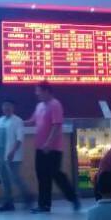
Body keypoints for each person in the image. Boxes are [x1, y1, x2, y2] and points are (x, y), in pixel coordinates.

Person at [24, 81, 79, 213]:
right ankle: (44, 205)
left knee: (55, 174)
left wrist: (48, 143)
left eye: (38, 91)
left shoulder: (55, 104)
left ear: (46, 91)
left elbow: (56, 125)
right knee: (42, 175)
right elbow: (32, 121)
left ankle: (73, 197)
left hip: (53, 148)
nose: (36, 94)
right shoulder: (39, 106)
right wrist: (17, 122)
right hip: (40, 147)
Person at [0, 99, 33, 212]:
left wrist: (12, 151)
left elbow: (19, 139)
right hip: (1, 155)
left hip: (12, 156)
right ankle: (8, 203)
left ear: (13, 108)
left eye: (9, 106)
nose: (6, 108)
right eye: (4, 106)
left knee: (15, 178)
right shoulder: (0, 120)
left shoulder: (17, 121)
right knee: (4, 180)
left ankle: (28, 197)